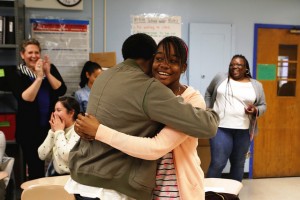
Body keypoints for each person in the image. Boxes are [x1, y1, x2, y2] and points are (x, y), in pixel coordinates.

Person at [65, 33, 219, 200]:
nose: (164, 65)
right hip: (141, 186)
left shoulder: (189, 98)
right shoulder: (145, 88)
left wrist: (98, 131)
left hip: (176, 189)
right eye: (159, 58)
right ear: (152, 59)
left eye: (173, 61)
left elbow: (156, 147)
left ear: (183, 67)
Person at [7, 38, 67, 180]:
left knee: (58, 165)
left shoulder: (49, 69)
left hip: (51, 127)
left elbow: (61, 90)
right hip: (29, 131)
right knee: (35, 168)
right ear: (22, 55)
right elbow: (26, 98)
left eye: (36, 52)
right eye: (30, 52)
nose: (34, 56)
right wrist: (39, 78)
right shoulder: (16, 73)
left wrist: (48, 73)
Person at [205, 54, 266, 182]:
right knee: (218, 163)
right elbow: (209, 93)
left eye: (239, 65)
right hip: (220, 128)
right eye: (232, 65)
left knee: (238, 164)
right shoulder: (220, 78)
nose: (234, 67)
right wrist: (208, 110)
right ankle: (209, 195)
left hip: (243, 130)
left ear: (246, 68)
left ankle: (233, 195)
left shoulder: (256, 85)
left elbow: (262, 105)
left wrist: (255, 110)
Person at [38, 96, 80, 176]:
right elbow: (42, 155)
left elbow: (67, 155)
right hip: (55, 175)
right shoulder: (57, 130)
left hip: (71, 178)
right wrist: (52, 132)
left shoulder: (78, 130)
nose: (55, 114)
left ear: (71, 113)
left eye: (58, 110)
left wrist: (58, 131)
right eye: (54, 110)